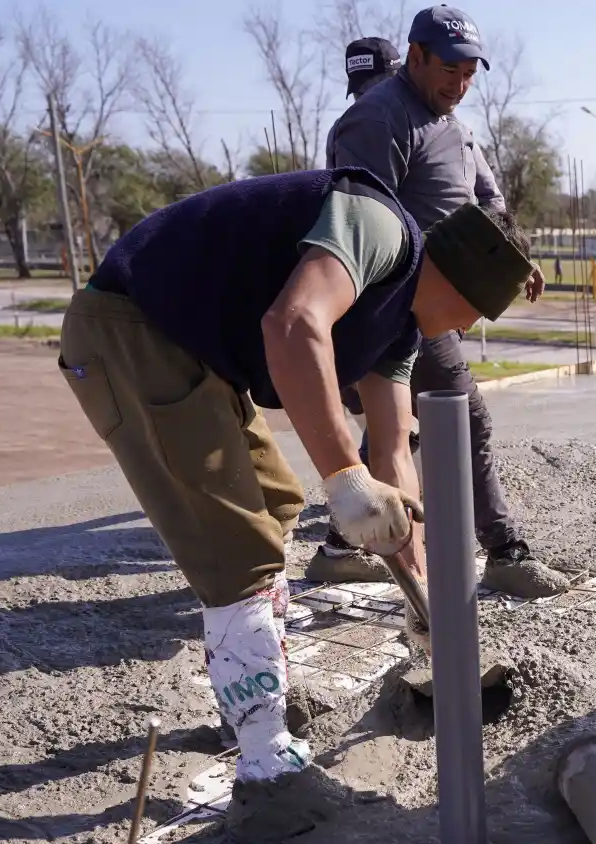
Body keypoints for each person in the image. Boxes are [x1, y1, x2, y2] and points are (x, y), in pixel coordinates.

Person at [57, 167, 533, 841]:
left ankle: (254, 693)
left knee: (275, 506)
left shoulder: (398, 329)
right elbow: (294, 322)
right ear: (461, 286)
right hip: (134, 329)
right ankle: (265, 765)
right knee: (237, 545)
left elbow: (394, 458)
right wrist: (343, 477)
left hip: (192, 355)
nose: (469, 330)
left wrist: (415, 585)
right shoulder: (378, 229)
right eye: (477, 315)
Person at [320, 4, 566, 599]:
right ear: (415, 56)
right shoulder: (377, 121)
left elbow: (486, 200)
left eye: (469, 73)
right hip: (404, 304)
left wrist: (513, 259)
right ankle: (504, 550)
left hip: (443, 302)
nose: (459, 84)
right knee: (463, 418)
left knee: (402, 430)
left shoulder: (454, 126)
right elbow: (363, 226)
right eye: (449, 70)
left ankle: (338, 545)